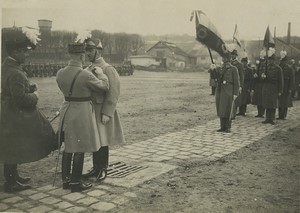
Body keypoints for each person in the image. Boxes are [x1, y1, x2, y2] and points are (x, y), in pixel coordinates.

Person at [1, 27, 56, 193]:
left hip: (7, 112)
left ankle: (13, 177)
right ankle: (11, 183)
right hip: (14, 115)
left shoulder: (7, 66)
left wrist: (29, 87)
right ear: (16, 51)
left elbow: (10, 90)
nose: (27, 54)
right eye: (24, 51)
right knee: (13, 148)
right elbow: (20, 99)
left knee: (11, 146)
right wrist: (35, 95)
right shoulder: (15, 71)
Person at [56, 38, 109, 192]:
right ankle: (75, 182)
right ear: (81, 56)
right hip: (81, 111)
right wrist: (101, 74)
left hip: (66, 109)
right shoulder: (85, 74)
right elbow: (104, 87)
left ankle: (65, 180)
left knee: (68, 146)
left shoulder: (60, 73)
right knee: (79, 147)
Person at [82, 37, 125, 181]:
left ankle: (103, 169)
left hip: (102, 110)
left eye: (90, 50)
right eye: (86, 50)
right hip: (91, 109)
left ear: (98, 51)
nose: (87, 53)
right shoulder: (88, 69)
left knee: (103, 140)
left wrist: (107, 112)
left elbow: (114, 92)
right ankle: (95, 168)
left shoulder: (107, 69)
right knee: (95, 140)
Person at [211, 51, 240, 133]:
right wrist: (213, 69)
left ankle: (228, 126)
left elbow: (237, 82)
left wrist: (235, 93)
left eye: (225, 58)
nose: (223, 59)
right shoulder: (220, 68)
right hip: (220, 90)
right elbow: (215, 77)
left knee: (228, 109)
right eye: (223, 58)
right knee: (221, 108)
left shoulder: (233, 69)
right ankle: (222, 126)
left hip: (229, 91)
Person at [261, 48, 284, 125]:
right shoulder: (266, 67)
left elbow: (281, 81)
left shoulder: (278, 69)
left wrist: (280, 90)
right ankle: (267, 118)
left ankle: (272, 118)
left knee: (273, 103)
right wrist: (263, 76)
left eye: (272, 60)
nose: (271, 61)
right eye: (270, 60)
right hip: (267, 87)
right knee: (267, 103)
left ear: (275, 60)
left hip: (274, 88)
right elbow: (262, 77)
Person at [277, 51, 295, 120]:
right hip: (280, 87)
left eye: (284, 61)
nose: (282, 63)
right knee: (280, 101)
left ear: (286, 62)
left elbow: (292, 80)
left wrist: (290, 89)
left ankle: (283, 115)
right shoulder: (279, 68)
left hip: (286, 87)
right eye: (281, 61)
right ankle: (280, 115)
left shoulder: (290, 69)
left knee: (285, 102)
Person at [251, 50, 266, 118]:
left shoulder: (265, 65)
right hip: (258, 83)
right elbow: (256, 72)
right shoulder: (259, 65)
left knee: (262, 99)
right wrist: (255, 75)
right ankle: (259, 112)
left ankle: (262, 113)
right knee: (258, 99)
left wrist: (263, 76)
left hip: (263, 84)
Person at [230, 48, 244, 119]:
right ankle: (230, 113)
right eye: (231, 54)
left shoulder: (239, 65)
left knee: (235, 100)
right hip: (229, 84)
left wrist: (241, 86)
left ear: (236, 56)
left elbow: (241, 76)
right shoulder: (228, 63)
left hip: (236, 84)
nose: (232, 56)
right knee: (229, 99)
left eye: (234, 55)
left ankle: (233, 114)